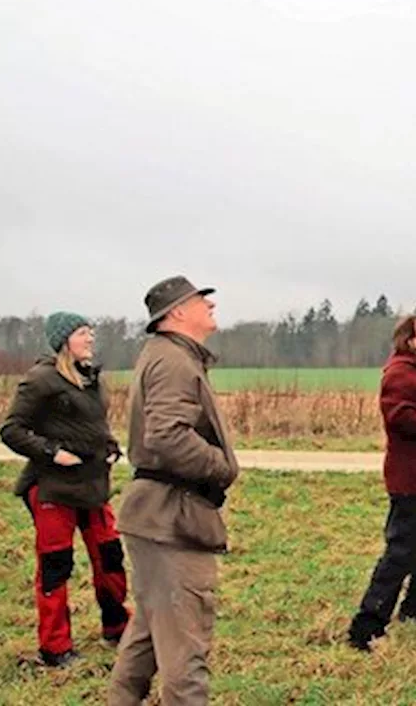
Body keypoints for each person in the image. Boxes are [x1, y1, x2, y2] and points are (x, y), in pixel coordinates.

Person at [108, 276, 239, 706]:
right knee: (185, 655)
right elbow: (168, 436)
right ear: (177, 313)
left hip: (159, 518)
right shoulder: (174, 361)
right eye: (202, 300)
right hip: (171, 521)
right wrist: (222, 468)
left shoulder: (170, 356)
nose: (211, 305)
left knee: (147, 637)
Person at [0, 312, 129, 668]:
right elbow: (11, 429)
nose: (90, 339)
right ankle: (55, 649)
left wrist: (109, 444)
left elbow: (91, 424)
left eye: (91, 332)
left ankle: (117, 627)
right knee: (56, 567)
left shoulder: (92, 379)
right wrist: (52, 452)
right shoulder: (41, 379)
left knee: (111, 557)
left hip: (93, 487)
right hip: (53, 490)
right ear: (64, 340)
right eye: (83, 333)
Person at [348, 313, 416, 652]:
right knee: (400, 555)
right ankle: (365, 628)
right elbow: (399, 418)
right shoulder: (400, 375)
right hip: (412, 480)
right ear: (411, 341)